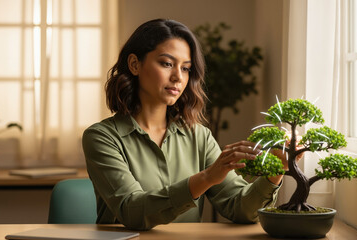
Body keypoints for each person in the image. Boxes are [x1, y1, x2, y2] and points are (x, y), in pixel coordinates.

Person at [82, 19, 286, 231]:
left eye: (186, 68)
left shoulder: (199, 136)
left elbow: (242, 209)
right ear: (135, 64)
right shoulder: (101, 137)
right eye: (167, 64)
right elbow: (132, 212)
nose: (178, 77)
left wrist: (277, 169)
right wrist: (206, 178)